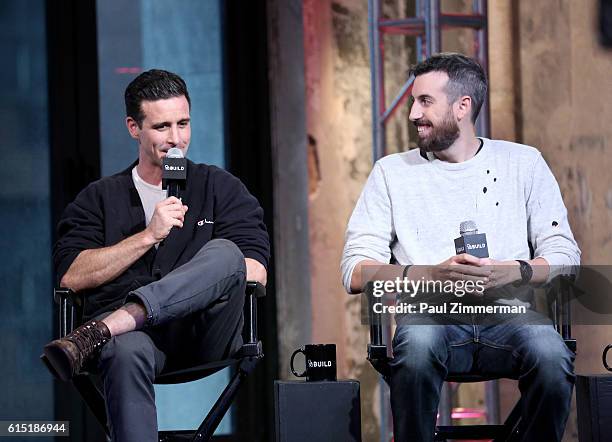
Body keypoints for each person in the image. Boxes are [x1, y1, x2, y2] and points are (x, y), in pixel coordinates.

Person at [341, 53, 580, 441]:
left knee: (552, 356)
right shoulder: (391, 172)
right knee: (417, 347)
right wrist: (429, 275)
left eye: (425, 102)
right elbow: (354, 271)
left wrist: (515, 270)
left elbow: (566, 256)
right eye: (413, 102)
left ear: (462, 106)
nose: (413, 114)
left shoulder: (523, 163)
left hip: (510, 315)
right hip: (429, 319)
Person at [42, 69, 270, 442]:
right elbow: (71, 275)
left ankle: (113, 323)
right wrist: (147, 236)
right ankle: (119, 328)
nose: (176, 139)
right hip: (133, 346)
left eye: (183, 124)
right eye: (162, 127)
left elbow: (255, 270)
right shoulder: (98, 198)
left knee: (228, 254)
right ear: (134, 127)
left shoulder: (220, 187)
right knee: (125, 348)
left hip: (202, 333)